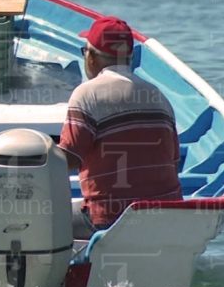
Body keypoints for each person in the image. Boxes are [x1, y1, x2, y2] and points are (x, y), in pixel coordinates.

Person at [59, 17, 182, 239]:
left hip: (108, 220)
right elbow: (174, 160)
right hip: (167, 217)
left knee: (42, 220)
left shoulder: (87, 94)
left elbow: (66, 161)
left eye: (84, 51)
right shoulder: (158, 96)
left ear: (92, 57)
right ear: (130, 57)